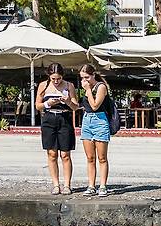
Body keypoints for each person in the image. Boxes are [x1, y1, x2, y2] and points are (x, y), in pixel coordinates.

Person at [36, 63, 79, 195]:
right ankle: (55, 184)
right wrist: (47, 103)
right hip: (49, 118)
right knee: (52, 153)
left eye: (58, 78)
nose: (56, 81)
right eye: (53, 78)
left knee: (65, 154)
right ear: (49, 76)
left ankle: (67, 184)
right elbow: (37, 106)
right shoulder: (43, 85)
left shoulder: (69, 86)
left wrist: (67, 101)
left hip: (64, 118)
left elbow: (76, 107)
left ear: (62, 76)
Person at [79, 64, 112, 197]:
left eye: (87, 77)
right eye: (82, 78)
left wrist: (87, 90)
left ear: (93, 75)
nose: (85, 81)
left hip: (100, 120)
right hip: (87, 121)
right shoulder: (87, 87)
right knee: (90, 157)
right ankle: (91, 185)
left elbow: (94, 105)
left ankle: (103, 185)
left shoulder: (100, 87)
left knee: (102, 157)